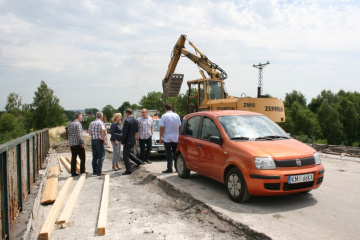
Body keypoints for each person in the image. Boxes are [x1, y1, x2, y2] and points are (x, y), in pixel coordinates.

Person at [159, 103, 181, 173]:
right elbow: (179, 126)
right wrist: (179, 135)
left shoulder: (164, 116)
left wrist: (160, 137)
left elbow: (162, 127)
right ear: (171, 108)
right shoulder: (176, 115)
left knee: (168, 154)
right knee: (175, 153)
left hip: (167, 138)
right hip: (175, 137)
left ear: (165, 109)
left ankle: (169, 168)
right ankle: (177, 168)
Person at [121, 108, 143, 175]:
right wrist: (137, 137)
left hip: (127, 140)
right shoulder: (135, 120)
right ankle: (138, 161)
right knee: (128, 153)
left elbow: (125, 132)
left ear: (127, 113)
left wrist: (123, 141)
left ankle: (128, 169)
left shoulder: (127, 121)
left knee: (125, 155)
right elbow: (137, 130)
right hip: (132, 139)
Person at [67, 112, 86, 176]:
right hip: (78, 144)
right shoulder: (78, 124)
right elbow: (79, 135)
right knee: (82, 158)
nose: (81, 119)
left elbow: (68, 134)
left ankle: (73, 172)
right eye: (81, 118)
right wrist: (82, 143)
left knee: (73, 158)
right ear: (79, 117)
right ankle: (82, 171)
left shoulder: (70, 124)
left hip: (72, 144)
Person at [88, 111, 106, 176]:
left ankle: (94, 170)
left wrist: (93, 136)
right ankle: (99, 171)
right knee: (101, 156)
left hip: (93, 140)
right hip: (99, 140)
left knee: (94, 156)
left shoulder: (91, 123)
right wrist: (103, 138)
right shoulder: (101, 123)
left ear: (96, 116)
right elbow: (103, 130)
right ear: (101, 117)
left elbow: (89, 132)